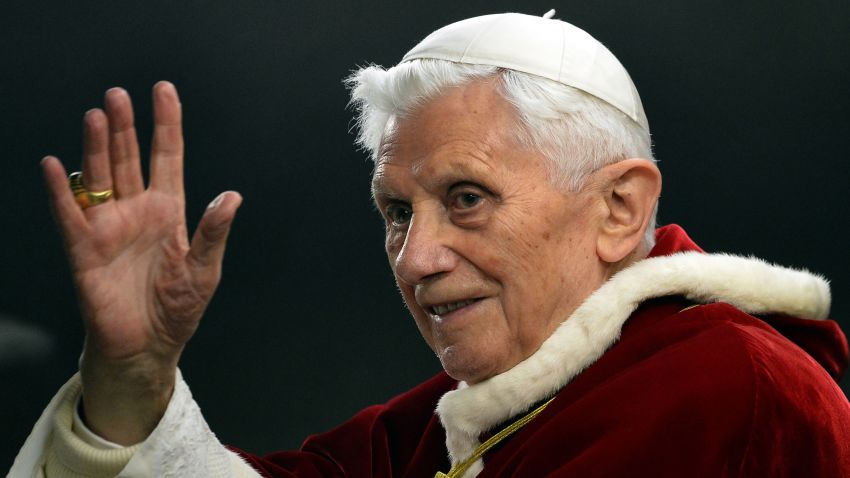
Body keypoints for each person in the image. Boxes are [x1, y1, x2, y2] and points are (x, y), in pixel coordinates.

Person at [9, 10, 850, 478]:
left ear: (619, 209)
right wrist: (135, 377)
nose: (415, 260)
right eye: (396, 211)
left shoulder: (726, 391)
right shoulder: (446, 425)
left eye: (467, 197)